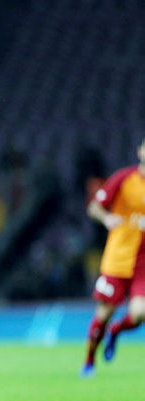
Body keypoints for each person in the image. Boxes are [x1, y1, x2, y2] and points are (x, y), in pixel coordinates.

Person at [81, 138, 145, 377]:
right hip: (118, 259)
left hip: (143, 264)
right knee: (103, 314)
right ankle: (89, 361)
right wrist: (106, 217)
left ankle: (117, 330)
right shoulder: (123, 178)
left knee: (139, 314)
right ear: (140, 151)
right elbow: (93, 207)